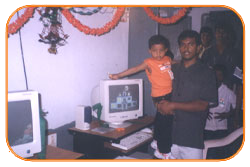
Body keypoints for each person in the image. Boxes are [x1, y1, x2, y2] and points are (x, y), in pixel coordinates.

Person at [109, 34, 174, 159]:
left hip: (170, 93)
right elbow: (135, 69)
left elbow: (174, 64)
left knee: (161, 119)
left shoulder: (167, 59)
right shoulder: (149, 62)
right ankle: (163, 151)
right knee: (167, 123)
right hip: (161, 96)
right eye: (154, 51)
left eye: (161, 50)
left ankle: (156, 141)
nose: (158, 54)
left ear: (166, 50)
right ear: (150, 51)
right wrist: (118, 75)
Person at [157, 30, 218, 159]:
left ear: (198, 47)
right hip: (169, 136)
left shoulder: (207, 72)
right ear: (179, 47)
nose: (186, 48)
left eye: (191, 44)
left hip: (191, 138)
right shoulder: (172, 69)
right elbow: (160, 90)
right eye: (183, 44)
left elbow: (203, 104)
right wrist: (159, 104)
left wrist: (172, 105)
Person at [201, 23, 243, 130]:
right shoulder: (208, 53)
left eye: (223, 32)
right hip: (209, 100)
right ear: (214, 34)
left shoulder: (236, 54)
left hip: (229, 99)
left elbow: (240, 85)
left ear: (228, 35)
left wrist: (236, 114)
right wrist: (202, 109)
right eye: (218, 32)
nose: (221, 35)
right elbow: (200, 82)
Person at [204, 64, 236, 159]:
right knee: (208, 153)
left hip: (221, 128)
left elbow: (236, 107)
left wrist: (227, 114)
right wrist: (204, 112)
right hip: (207, 127)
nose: (217, 78)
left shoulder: (227, 91)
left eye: (220, 75)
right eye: (215, 75)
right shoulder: (205, 89)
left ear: (223, 77)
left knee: (220, 153)